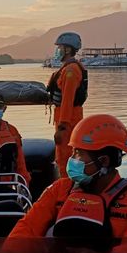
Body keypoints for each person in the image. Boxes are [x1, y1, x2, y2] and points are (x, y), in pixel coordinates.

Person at [9, 113, 127, 253]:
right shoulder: (60, 189)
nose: (72, 159)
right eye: (73, 152)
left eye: (78, 153)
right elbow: (28, 228)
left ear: (104, 161)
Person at [47, 31, 88, 177]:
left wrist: (62, 127)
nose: (57, 50)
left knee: (64, 158)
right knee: (64, 157)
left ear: (68, 49)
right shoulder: (66, 68)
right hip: (66, 118)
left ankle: (65, 191)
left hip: (69, 120)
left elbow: (67, 100)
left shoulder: (71, 71)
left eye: (60, 47)